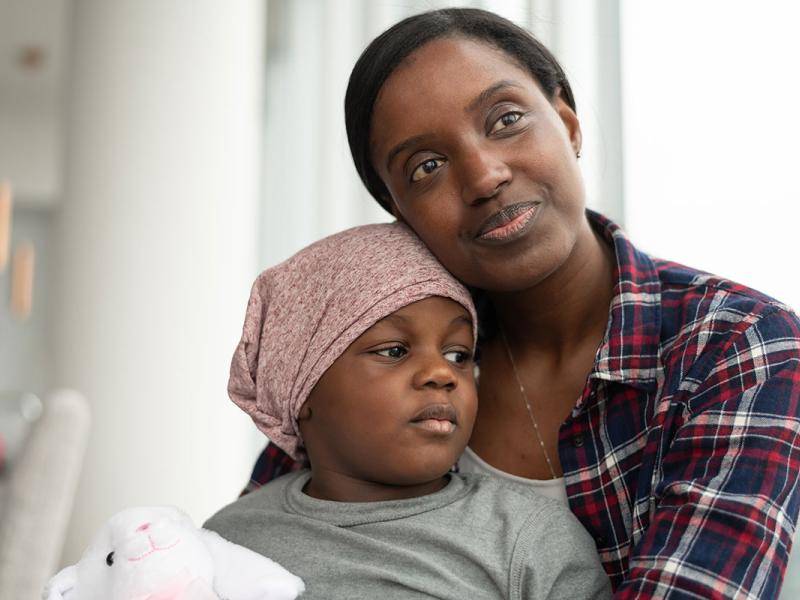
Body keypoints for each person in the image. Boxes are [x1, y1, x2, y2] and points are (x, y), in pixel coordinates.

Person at [245, 7, 800, 599]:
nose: (484, 176)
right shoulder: (374, 362)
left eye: (506, 119)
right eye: (427, 166)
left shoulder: (739, 345)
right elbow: (251, 558)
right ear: (398, 211)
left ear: (568, 123)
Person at [204, 222, 612, 599]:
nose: (442, 373)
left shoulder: (530, 539)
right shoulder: (228, 540)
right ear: (301, 391)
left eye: (458, 354)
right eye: (395, 351)